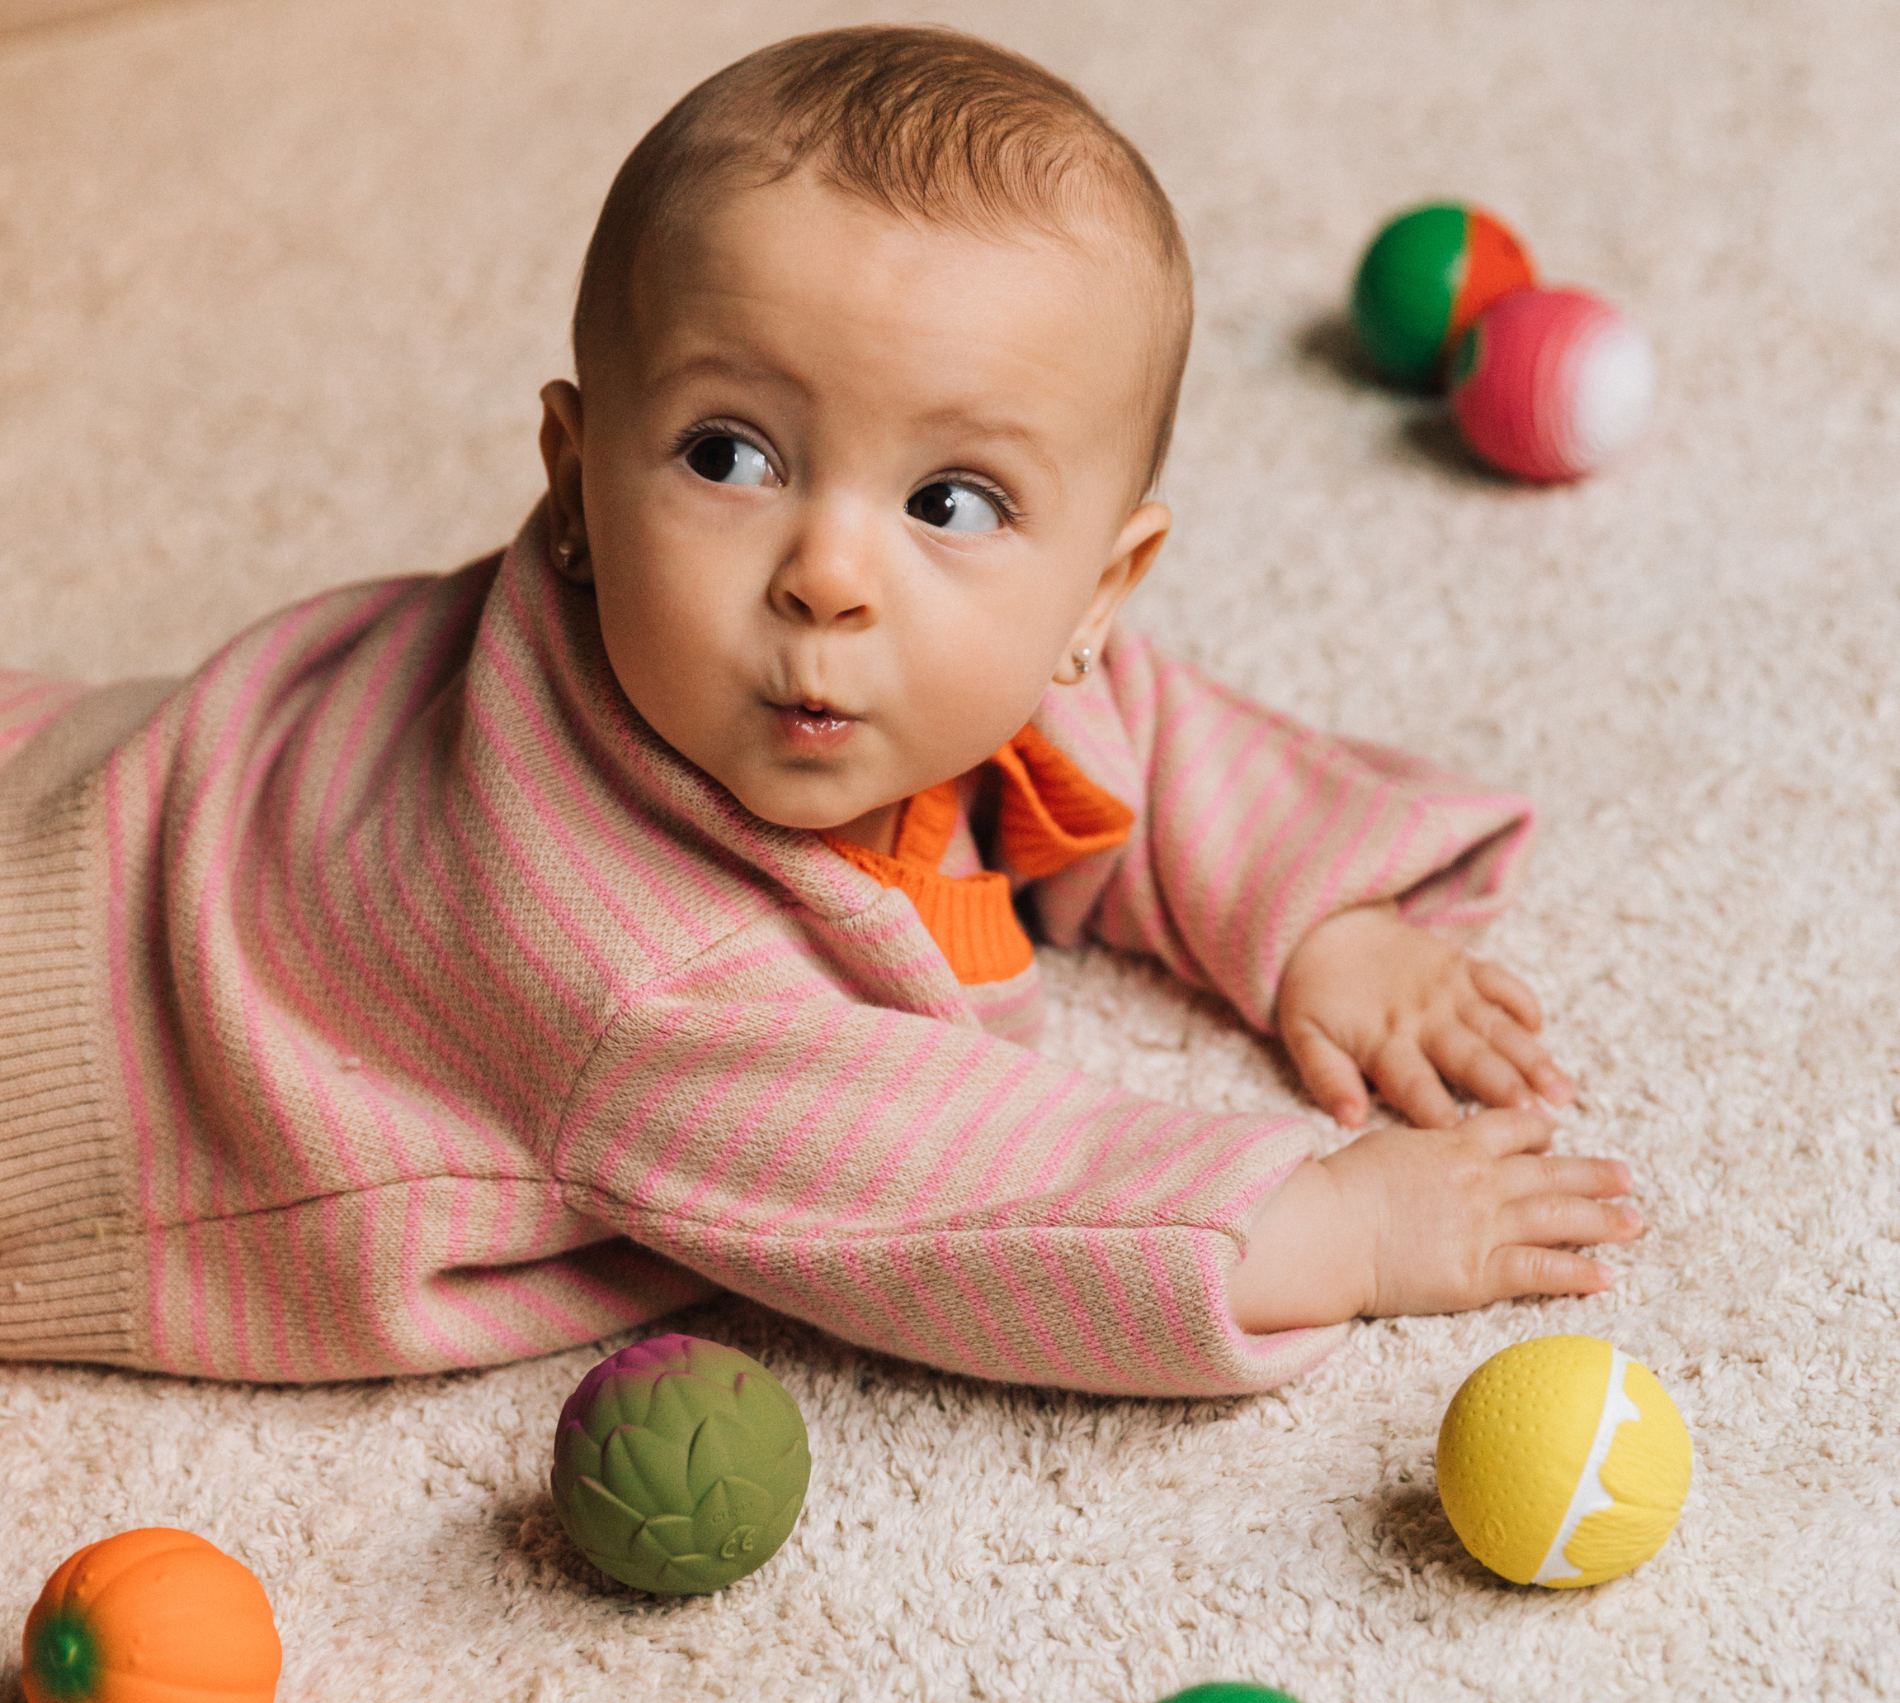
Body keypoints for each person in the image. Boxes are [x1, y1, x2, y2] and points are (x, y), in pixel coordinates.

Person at [0, 25, 1641, 1393]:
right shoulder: (639, 976)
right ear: (574, 485)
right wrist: (1337, 1228)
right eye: (729, 455)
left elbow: (1101, 722)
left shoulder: (899, 660)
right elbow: (971, 1197)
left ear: (1099, 589)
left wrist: (1317, 916)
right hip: (67, 1077)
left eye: (954, 500)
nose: (832, 575)